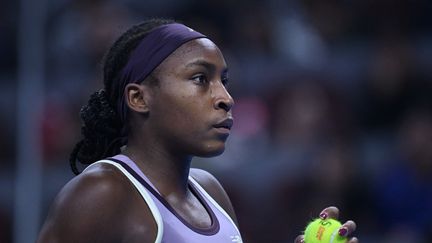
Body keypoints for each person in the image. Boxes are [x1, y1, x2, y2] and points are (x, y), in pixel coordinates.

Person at [37, 18, 358, 243]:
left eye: (224, 81)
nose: (226, 98)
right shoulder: (101, 194)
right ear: (139, 97)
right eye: (200, 79)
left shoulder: (212, 192)